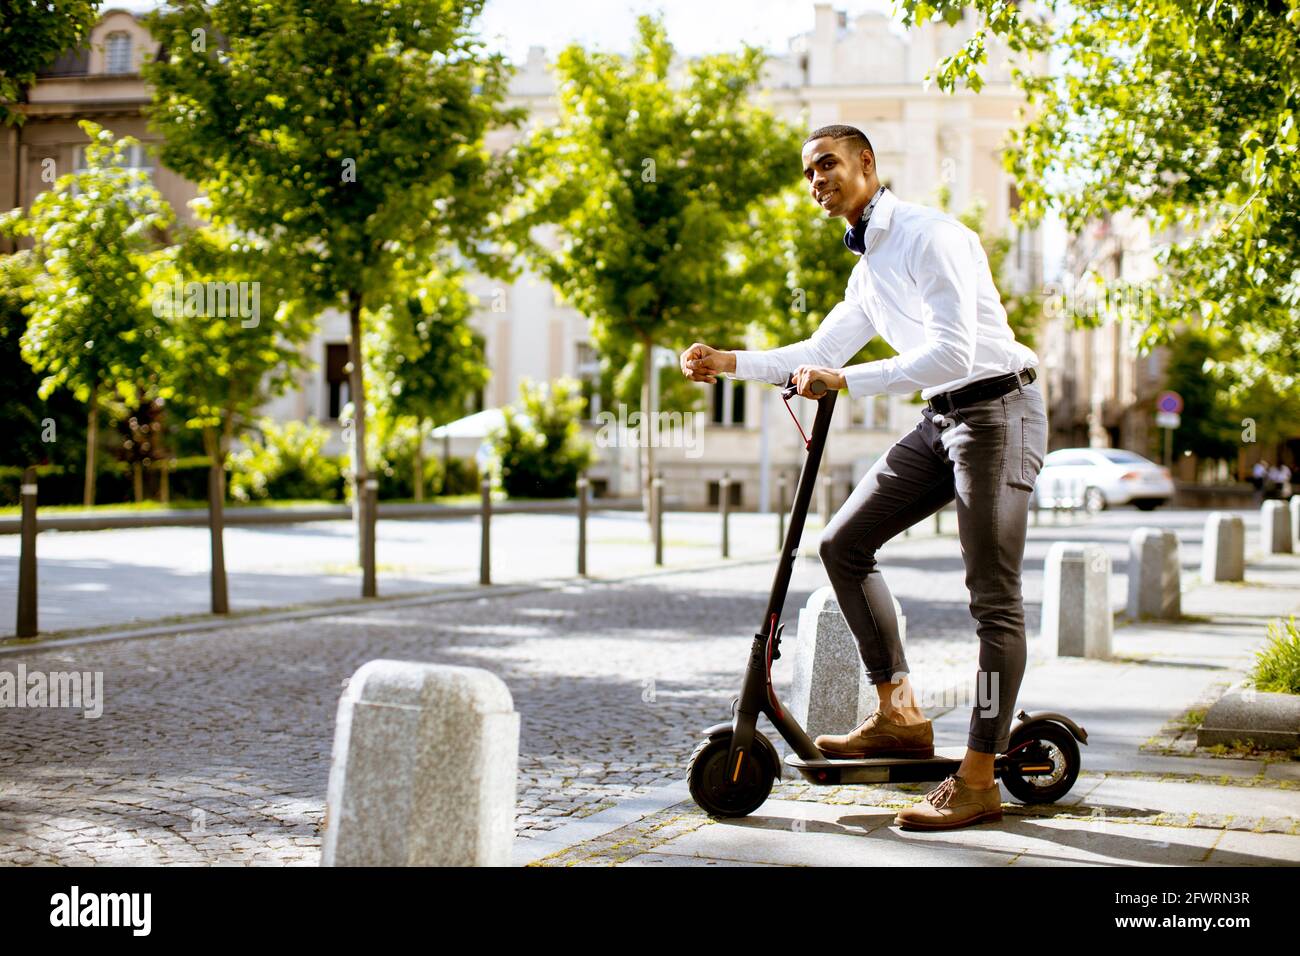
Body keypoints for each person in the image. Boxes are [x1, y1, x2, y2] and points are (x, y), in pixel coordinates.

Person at [680, 124, 1048, 831]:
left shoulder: (929, 236)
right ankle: (899, 713)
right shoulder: (869, 266)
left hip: (1001, 410)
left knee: (993, 599)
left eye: (828, 165)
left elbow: (952, 351)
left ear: (868, 164)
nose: (817, 180)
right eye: (809, 173)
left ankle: (977, 779)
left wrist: (844, 380)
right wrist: (729, 361)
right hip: (943, 419)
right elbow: (819, 351)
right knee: (842, 545)